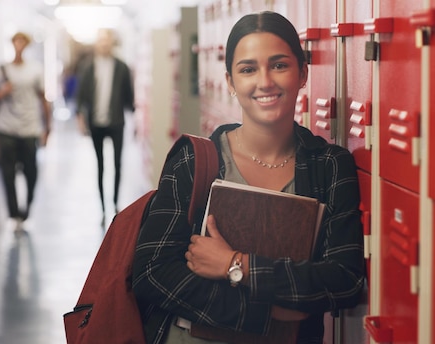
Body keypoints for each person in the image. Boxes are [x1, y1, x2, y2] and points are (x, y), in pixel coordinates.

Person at [132, 11, 365, 344]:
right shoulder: (196, 160)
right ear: (230, 81)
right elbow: (152, 272)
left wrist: (234, 265)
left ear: (303, 74)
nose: (264, 81)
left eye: (279, 65)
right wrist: (263, 313)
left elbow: (343, 280)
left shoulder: (328, 166)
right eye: (248, 69)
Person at [0, 32, 51, 229]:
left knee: (31, 171)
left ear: (26, 45)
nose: (19, 45)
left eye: (22, 42)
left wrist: (47, 126)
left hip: (29, 127)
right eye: (16, 41)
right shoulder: (1, 69)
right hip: (6, 126)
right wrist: (0, 93)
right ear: (12, 44)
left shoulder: (35, 69)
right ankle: (13, 214)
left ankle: (26, 209)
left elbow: (43, 98)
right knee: (8, 172)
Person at [75, 28, 135, 218]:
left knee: (117, 163)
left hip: (116, 121)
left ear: (112, 43)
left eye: (107, 40)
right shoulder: (88, 66)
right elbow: (81, 95)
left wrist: (137, 120)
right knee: (100, 164)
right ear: (96, 43)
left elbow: (129, 97)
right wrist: (80, 119)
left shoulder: (121, 66)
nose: (104, 44)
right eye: (101, 40)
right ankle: (102, 206)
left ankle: (115, 203)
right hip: (96, 123)